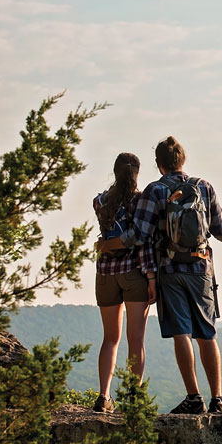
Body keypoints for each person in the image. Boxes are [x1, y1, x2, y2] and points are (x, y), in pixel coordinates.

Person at [100, 136, 222, 414]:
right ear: (182, 160)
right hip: (201, 269)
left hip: (169, 269)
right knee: (207, 332)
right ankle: (218, 400)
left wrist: (108, 244)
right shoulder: (204, 186)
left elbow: (137, 236)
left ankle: (193, 397)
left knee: (181, 333)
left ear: (159, 163)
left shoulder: (155, 191)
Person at [92, 152, 155, 413]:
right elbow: (142, 239)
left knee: (110, 338)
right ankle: (132, 399)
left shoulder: (99, 201)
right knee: (135, 340)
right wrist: (151, 277)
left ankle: (104, 396)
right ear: (137, 173)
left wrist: (106, 245)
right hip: (133, 271)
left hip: (105, 272)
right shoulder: (140, 202)